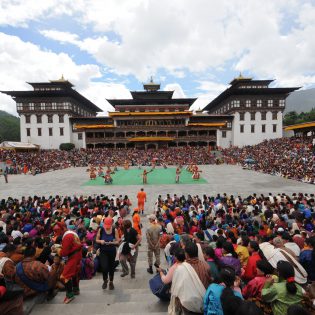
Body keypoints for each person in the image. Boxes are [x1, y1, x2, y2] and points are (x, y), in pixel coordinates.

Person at [60, 226, 82, 304]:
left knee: (65, 275)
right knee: (74, 272)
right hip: (78, 254)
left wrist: (58, 250)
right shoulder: (73, 234)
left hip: (73, 257)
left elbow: (64, 253)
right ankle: (76, 289)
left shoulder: (67, 236)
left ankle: (70, 295)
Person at [96, 217, 120, 290]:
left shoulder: (114, 230)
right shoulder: (101, 230)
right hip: (103, 251)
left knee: (111, 267)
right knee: (104, 266)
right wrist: (101, 241)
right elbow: (96, 239)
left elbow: (118, 241)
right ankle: (105, 280)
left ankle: (111, 282)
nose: (107, 228)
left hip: (112, 251)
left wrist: (112, 242)